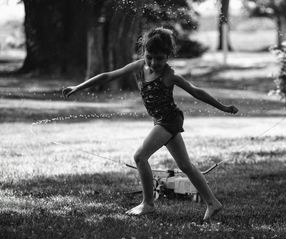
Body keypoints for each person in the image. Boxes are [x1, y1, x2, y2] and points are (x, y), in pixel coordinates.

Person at [62, 27, 238, 220]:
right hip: (160, 121)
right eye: (150, 57)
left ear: (168, 56)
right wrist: (78, 86)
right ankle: (213, 203)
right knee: (185, 165)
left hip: (169, 120)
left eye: (160, 58)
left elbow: (196, 91)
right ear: (144, 52)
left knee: (140, 157)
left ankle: (148, 204)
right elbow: (108, 76)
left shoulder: (169, 75)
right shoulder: (139, 67)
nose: (154, 62)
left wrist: (223, 107)